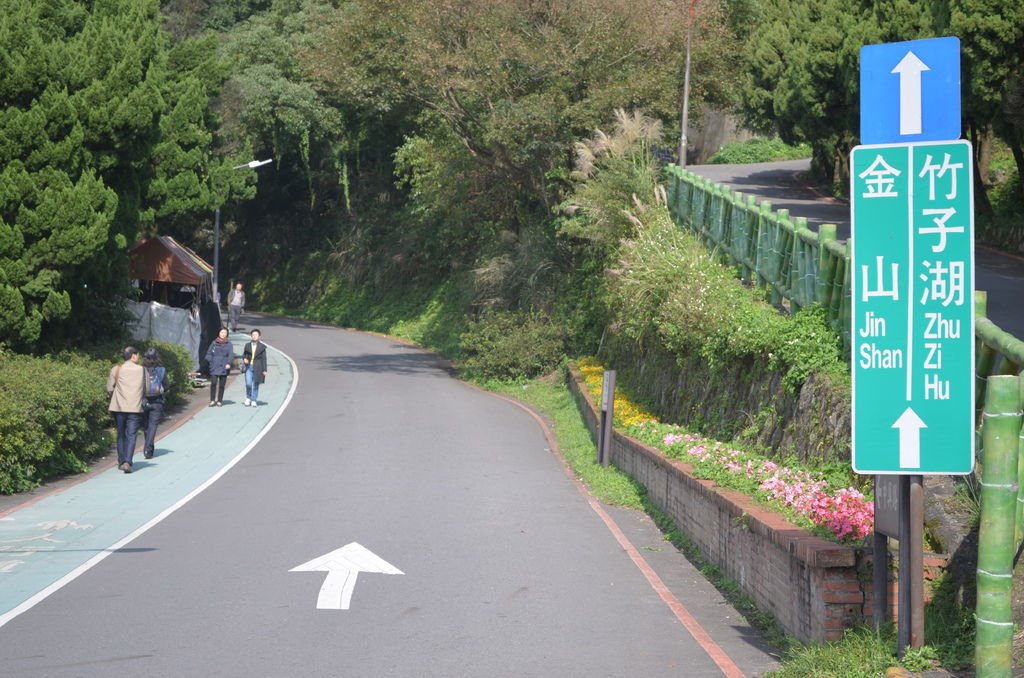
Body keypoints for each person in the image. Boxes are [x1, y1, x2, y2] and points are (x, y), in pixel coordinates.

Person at [107, 347, 144, 473]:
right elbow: (147, 388)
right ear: (133, 356)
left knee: (121, 433)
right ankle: (128, 461)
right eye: (138, 355)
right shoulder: (141, 370)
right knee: (132, 435)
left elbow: (109, 388)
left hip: (119, 406)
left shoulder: (117, 369)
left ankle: (121, 460)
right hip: (134, 407)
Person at [141, 348, 168, 459]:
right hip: (157, 401)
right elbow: (166, 386)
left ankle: (149, 448)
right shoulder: (161, 370)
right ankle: (148, 448)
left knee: (146, 426)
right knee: (153, 426)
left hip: (144, 400)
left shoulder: (141, 370)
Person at [205, 327, 233, 406]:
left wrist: (228, 363)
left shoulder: (229, 344)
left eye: (225, 333)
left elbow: (231, 355)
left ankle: (220, 400)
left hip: (224, 366)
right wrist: (210, 361)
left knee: (222, 385)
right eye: (221, 332)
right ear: (218, 333)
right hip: (214, 366)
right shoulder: (214, 343)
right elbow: (209, 353)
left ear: (227, 334)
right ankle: (212, 400)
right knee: (213, 383)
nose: (223, 334)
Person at [242, 328, 267, 407]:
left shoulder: (262, 347)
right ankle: (248, 397)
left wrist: (264, 369)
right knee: (248, 383)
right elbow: (244, 354)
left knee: (256, 384)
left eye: (256, 335)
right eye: (253, 335)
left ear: (259, 336)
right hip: (249, 367)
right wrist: (244, 359)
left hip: (258, 367)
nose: (254, 336)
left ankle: (254, 399)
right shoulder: (247, 345)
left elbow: (264, 359)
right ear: (251, 336)